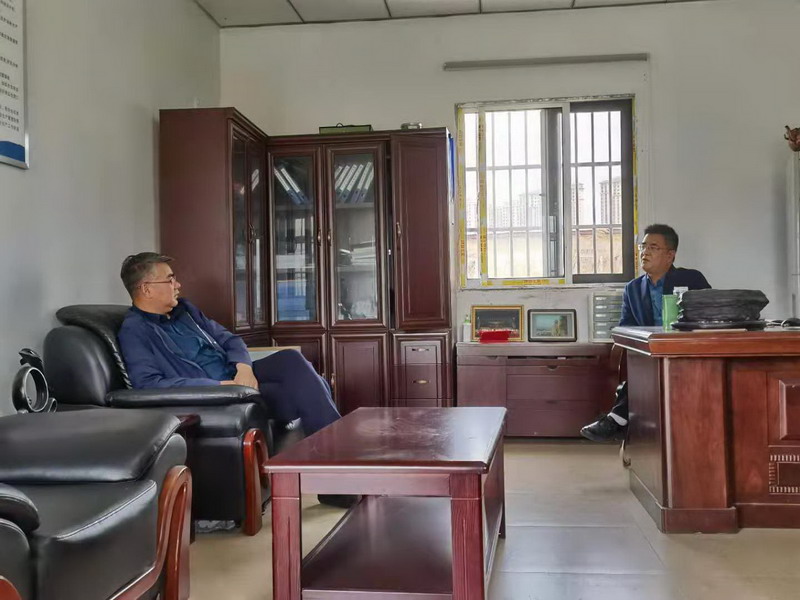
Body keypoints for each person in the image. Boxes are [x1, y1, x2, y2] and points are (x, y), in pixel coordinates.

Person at [117, 252, 352, 507]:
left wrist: (244, 368)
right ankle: (342, 477)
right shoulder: (135, 330)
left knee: (291, 360)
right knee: (311, 390)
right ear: (146, 289)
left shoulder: (185, 310)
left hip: (239, 378)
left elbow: (230, 339)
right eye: (170, 279)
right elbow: (148, 383)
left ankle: (338, 477)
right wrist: (219, 387)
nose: (178, 285)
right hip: (219, 395)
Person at [580, 224, 711, 442]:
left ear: (670, 255)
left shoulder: (691, 280)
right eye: (643, 246)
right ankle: (620, 421)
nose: (645, 252)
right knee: (643, 374)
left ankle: (616, 420)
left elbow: (711, 313)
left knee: (647, 376)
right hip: (650, 354)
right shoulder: (633, 288)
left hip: (686, 353)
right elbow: (626, 327)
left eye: (653, 247)